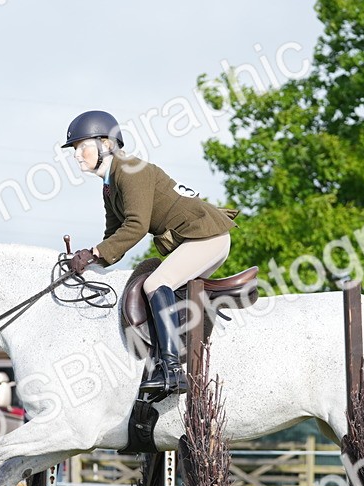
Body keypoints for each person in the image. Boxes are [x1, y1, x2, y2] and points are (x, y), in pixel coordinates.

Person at [60, 110, 237, 395]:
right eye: (75, 150)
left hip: (208, 236)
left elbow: (137, 225)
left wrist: (93, 252)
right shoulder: (110, 186)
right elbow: (113, 235)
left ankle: (172, 371)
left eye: (82, 147)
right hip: (196, 239)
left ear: (106, 144)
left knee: (156, 283)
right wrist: (90, 264)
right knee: (162, 287)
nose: (77, 156)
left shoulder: (131, 169)